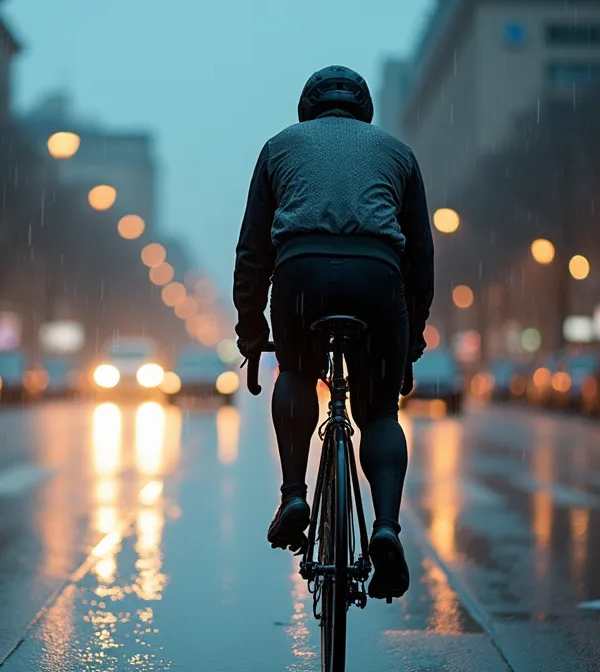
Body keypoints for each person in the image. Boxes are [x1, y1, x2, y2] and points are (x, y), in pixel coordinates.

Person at [233, 65, 435, 603]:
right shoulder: (398, 154)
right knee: (381, 413)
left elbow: (253, 252)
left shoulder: (278, 148)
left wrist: (251, 330)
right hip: (378, 278)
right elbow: (420, 258)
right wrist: (409, 339)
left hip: (302, 277)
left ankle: (295, 495)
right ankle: (386, 527)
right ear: (364, 109)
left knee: (297, 373)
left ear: (307, 108)